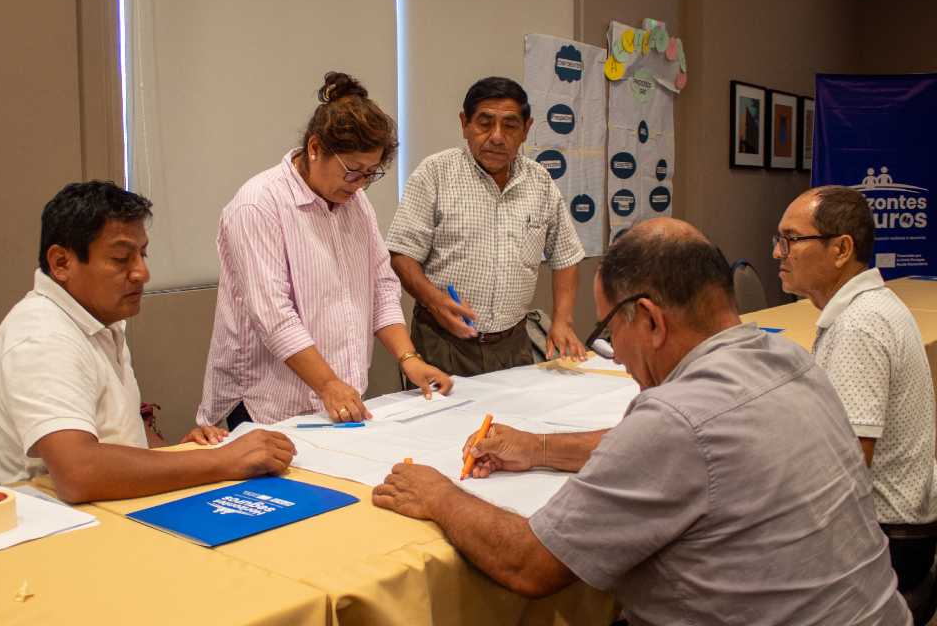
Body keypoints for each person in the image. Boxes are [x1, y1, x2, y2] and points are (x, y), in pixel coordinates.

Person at [373, 218, 910, 624]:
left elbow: (529, 565)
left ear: (650, 320)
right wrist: (539, 448)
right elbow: (689, 449)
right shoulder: (790, 361)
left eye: (609, 327)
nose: (614, 349)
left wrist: (438, 495)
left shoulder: (675, 419)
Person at [0, 181, 295, 502]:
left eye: (142, 254)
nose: (142, 273)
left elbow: (120, 438)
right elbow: (79, 473)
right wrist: (222, 460)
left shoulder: (99, 318)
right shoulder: (42, 337)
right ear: (61, 263)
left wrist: (183, 454)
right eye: (121, 258)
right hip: (45, 525)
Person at [197, 72, 452, 430]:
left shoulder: (355, 203)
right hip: (269, 403)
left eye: (371, 174)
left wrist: (409, 358)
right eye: (352, 171)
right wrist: (327, 383)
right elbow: (273, 315)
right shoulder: (258, 205)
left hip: (337, 397)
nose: (360, 184)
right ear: (315, 148)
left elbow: (381, 286)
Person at [775, 185, 937, 600]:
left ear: (841, 249)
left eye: (791, 239)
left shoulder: (858, 326)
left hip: (885, 541)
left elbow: (845, 463)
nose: (778, 252)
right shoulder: (869, 306)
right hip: (898, 528)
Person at [385, 76, 586, 378]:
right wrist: (433, 301)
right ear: (464, 124)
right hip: (443, 342)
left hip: (513, 342)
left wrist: (562, 320)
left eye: (510, 125)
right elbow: (402, 254)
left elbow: (566, 255)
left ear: (526, 129)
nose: (497, 137)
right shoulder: (435, 174)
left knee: (516, 410)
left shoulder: (540, 182)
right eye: (485, 123)